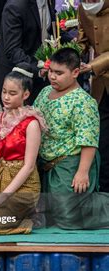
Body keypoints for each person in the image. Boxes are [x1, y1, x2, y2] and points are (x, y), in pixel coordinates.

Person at [34, 48, 109, 229]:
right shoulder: (45, 92)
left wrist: (82, 172)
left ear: (75, 73)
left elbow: (88, 140)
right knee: (48, 212)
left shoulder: (83, 102)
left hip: (71, 162)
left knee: (67, 218)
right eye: (51, 71)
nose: (52, 76)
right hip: (45, 164)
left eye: (59, 73)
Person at [0, 63, 47, 235]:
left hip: (24, 183)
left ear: (26, 94)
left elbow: (29, 166)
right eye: (4, 91)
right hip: (0, 177)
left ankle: (30, 219)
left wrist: (4, 195)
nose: (6, 97)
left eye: (12, 93)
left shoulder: (31, 123)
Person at [0, 0, 55, 104]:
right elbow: (13, 50)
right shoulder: (15, 6)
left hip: (37, 71)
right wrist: (38, 70)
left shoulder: (48, 2)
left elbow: (50, 29)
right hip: (14, 75)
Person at [78, 0, 109, 191]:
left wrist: (92, 65)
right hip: (100, 86)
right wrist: (66, 57)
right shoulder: (83, 9)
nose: (89, 1)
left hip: (96, 70)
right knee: (103, 142)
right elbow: (82, 42)